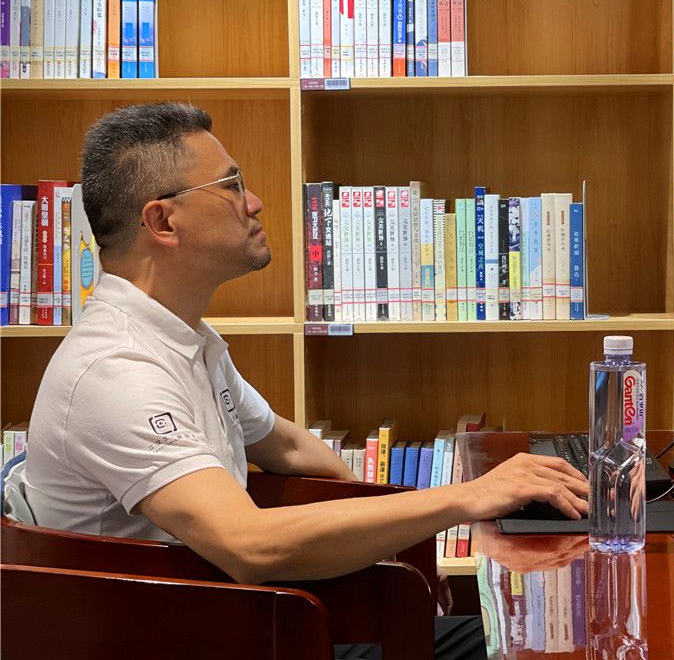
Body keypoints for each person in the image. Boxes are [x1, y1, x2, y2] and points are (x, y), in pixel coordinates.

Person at [21, 102, 588, 658]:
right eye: (231, 185)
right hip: (195, 637)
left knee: (512, 638)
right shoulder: (116, 370)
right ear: (163, 222)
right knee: (537, 643)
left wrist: (386, 542)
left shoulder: (182, 338)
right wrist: (470, 496)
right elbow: (248, 545)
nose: (254, 202)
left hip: (243, 623)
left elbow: (286, 445)